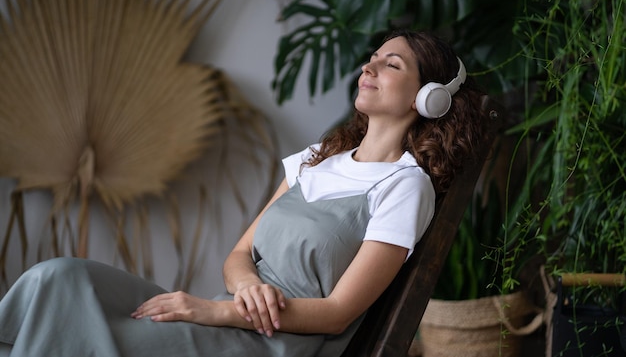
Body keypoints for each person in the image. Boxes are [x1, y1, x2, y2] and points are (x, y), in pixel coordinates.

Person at [0, 30, 488, 357]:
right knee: (58, 279)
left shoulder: (405, 186)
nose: (371, 66)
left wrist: (215, 311)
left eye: (392, 63)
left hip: (268, 343)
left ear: (429, 97)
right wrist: (242, 290)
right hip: (227, 312)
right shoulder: (317, 158)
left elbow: (339, 314)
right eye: (373, 57)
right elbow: (239, 254)